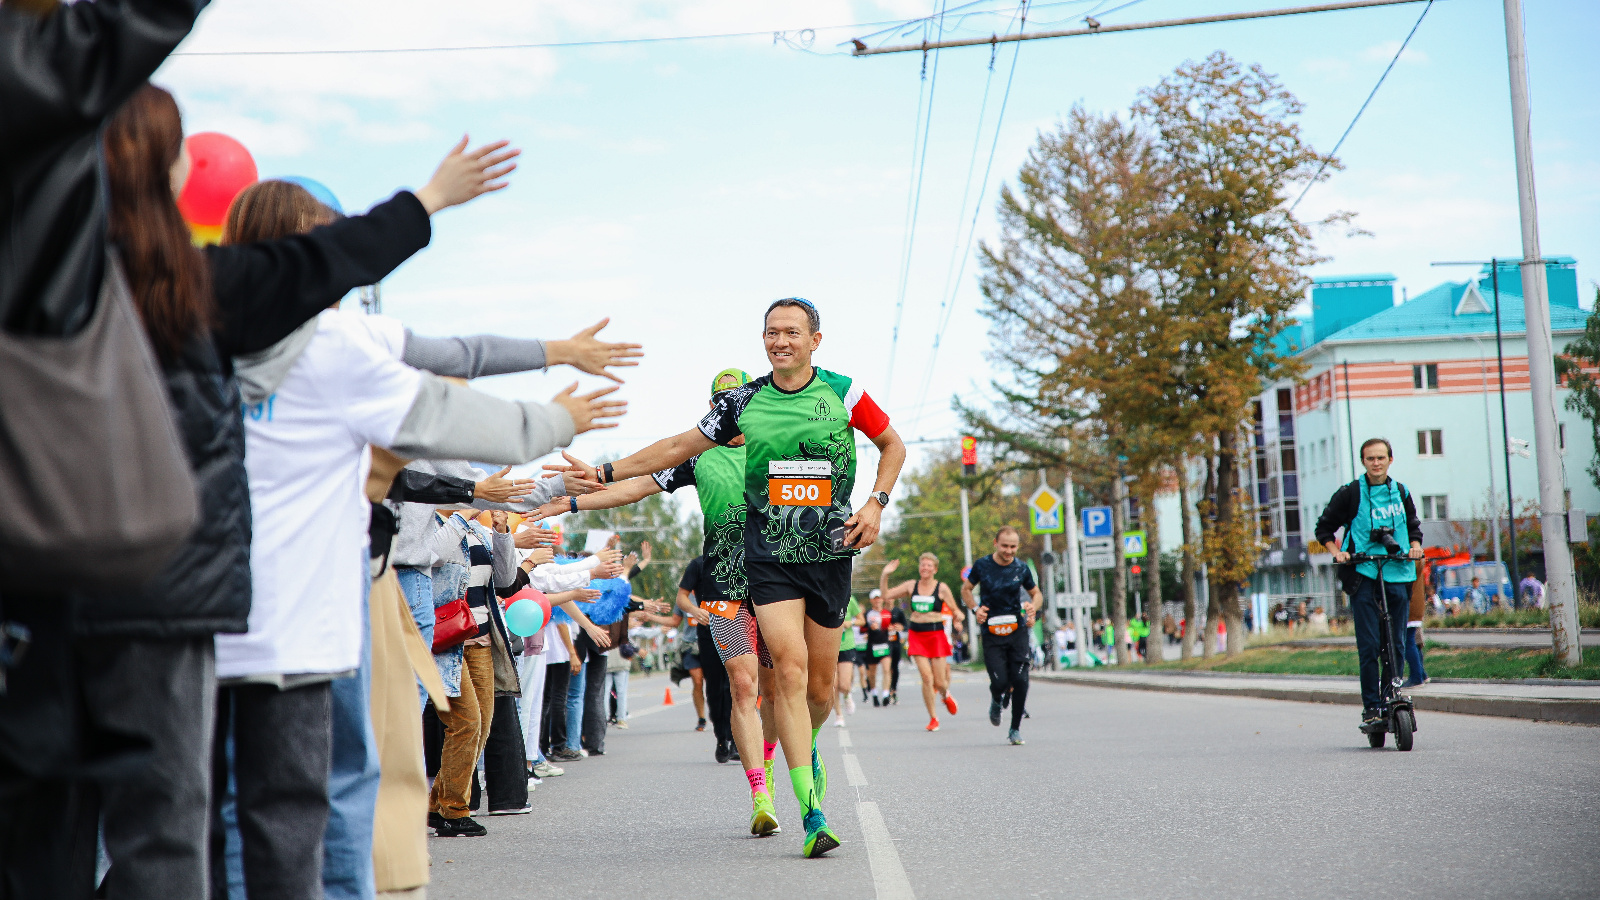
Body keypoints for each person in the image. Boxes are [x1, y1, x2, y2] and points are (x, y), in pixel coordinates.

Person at [549, 298, 906, 858]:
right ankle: (809, 812)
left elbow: (893, 444)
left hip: (830, 554)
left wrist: (876, 504)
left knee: (818, 691)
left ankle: (804, 741)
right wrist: (601, 475)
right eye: (770, 332)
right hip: (762, 562)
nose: (779, 340)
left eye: (791, 332)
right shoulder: (741, 404)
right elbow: (672, 447)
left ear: (816, 339)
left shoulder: (844, 392)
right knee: (779, 674)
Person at [533, 368, 786, 835]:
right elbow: (635, 485)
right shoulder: (698, 457)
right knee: (742, 685)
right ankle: (759, 793)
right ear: (715, 410)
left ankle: (770, 765)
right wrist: (569, 504)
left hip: (776, 586)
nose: (729, 410)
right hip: (723, 585)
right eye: (721, 402)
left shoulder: (772, 448)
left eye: (737, 401)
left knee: (776, 690)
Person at [1314, 437, 1423, 732]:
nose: (1376, 463)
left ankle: (1393, 694)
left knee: (1397, 641)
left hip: (1398, 571)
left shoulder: (1401, 491)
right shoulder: (1350, 493)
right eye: (1370, 458)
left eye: (1381, 457)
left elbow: (1413, 525)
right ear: (1363, 462)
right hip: (1363, 573)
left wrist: (1414, 546)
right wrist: (1338, 552)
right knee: (1370, 646)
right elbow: (1323, 528)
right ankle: (1372, 706)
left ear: (1390, 459)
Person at [963, 527, 1043, 745]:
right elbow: (966, 589)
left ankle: (1015, 729)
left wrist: (1032, 609)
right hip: (992, 630)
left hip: (1016, 628)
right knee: (999, 681)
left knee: (1021, 679)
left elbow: (1036, 594)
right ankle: (996, 698)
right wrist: (975, 610)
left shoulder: (1021, 568)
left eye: (1013, 547)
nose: (1009, 551)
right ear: (995, 543)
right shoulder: (982, 565)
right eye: (1005, 546)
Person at [880, 555, 960, 731]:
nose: (925, 567)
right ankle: (933, 718)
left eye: (929, 565)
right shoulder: (911, 586)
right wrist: (885, 575)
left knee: (939, 682)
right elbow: (886, 595)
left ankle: (945, 695)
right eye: (922, 564)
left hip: (936, 635)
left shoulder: (942, 588)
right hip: (917, 636)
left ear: (935, 569)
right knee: (926, 677)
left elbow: (955, 610)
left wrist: (959, 618)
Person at [833, 597, 864, 726]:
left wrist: (850, 623)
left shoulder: (850, 599)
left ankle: (847, 696)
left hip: (847, 646)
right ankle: (839, 715)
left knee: (844, 685)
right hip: (829, 647)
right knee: (833, 685)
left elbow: (862, 620)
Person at [862, 590, 891, 707]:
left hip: (884, 644)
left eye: (879, 598)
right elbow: (862, 629)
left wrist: (895, 627)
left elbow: (895, 624)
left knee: (886, 669)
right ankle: (874, 694)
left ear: (882, 600)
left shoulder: (887, 613)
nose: (877, 600)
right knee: (872, 673)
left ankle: (885, 694)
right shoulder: (867, 614)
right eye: (875, 598)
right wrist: (869, 628)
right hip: (872, 646)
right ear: (871, 600)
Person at [1402, 577, 1429, 688]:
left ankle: (1416, 677)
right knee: (1414, 643)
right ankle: (1421, 674)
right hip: (1416, 604)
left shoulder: (1413, 560)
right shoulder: (1419, 561)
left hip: (1410, 605)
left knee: (1408, 642)